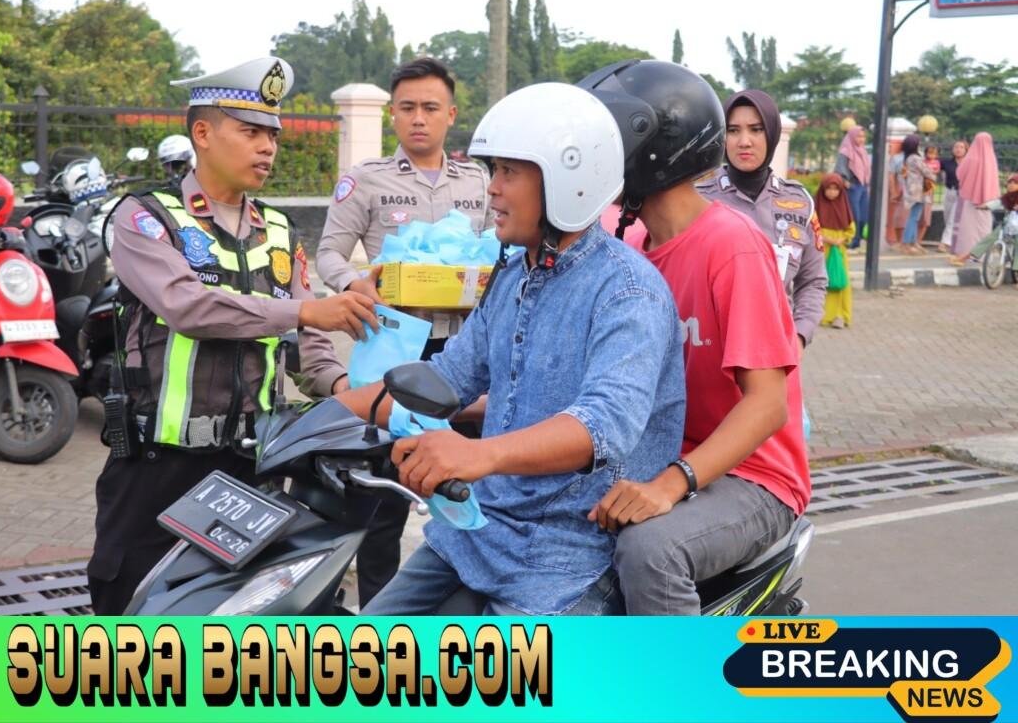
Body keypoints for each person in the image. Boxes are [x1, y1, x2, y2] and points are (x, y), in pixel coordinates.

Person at [339, 82, 686, 616]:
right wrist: (314, 423)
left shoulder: (626, 290)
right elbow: (448, 378)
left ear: (567, 179)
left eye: (509, 172)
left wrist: (477, 454)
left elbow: (605, 425)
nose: (492, 190)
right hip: (484, 527)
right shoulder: (515, 277)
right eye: (492, 171)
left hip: (570, 548)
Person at [87, 57, 380, 614]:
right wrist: (307, 312)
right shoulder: (146, 219)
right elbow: (188, 308)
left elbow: (309, 349)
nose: (267, 148)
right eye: (250, 132)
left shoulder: (277, 229)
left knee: (242, 623)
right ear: (202, 132)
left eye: (272, 134)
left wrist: (351, 393)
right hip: (158, 468)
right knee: (134, 620)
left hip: (252, 471)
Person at [579, 60, 810, 615]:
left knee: (649, 549)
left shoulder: (732, 246)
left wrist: (670, 484)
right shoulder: (630, 249)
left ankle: (683, 697)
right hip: (656, 457)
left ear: (653, 151)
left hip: (753, 476)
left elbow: (768, 406)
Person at [316, 56, 491, 606]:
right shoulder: (367, 180)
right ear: (392, 114)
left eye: (431, 108)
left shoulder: (479, 181)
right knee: (387, 494)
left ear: (451, 115)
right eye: (408, 107)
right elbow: (328, 255)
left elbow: (498, 254)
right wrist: (356, 285)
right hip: (395, 350)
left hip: (464, 351)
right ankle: (378, 614)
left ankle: (469, 602)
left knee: (472, 482)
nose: (419, 118)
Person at [697, 89, 827, 351]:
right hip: (710, 350)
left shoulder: (800, 203)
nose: (744, 141)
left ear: (772, 134)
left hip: (778, 353)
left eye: (756, 129)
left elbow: (813, 281)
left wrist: (799, 337)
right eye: (733, 131)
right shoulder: (697, 199)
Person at [950, 132, 1001, 266]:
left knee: (968, 229)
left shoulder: (971, 158)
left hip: (971, 199)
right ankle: (982, 254)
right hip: (987, 201)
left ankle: (967, 254)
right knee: (984, 228)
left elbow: (959, 173)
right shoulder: (991, 159)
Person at [815, 173, 855, 329]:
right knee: (820, 282)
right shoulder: (816, 206)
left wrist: (842, 239)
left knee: (839, 281)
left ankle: (840, 315)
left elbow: (851, 230)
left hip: (838, 251)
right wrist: (826, 239)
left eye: (836, 189)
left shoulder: (844, 206)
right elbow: (811, 228)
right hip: (820, 251)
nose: (832, 192)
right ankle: (821, 315)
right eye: (829, 189)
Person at [900, 134, 937, 255]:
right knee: (913, 217)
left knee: (915, 217)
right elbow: (926, 171)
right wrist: (934, 176)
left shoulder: (907, 157)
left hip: (913, 189)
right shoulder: (915, 158)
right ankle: (906, 243)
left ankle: (913, 242)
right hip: (918, 190)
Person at [835, 126, 871, 249]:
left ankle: (859, 239)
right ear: (852, 136)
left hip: (863, 185)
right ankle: (852, 240)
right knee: (854, 214)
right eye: (859, 136)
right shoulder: (846, 150)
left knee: (863, 215)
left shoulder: (862, 150)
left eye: (863, 136)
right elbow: (840, 168)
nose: (861, 139)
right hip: (852, 186)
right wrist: (846, 182)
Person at [939, 140, 968, 252]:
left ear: (966, 150)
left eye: (961, 147)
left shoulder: (969, 163)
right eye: (956, 147)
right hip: (949, 191)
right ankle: (953, 241)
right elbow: (933, 167)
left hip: (963, 193)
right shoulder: (946, 162)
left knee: (952, 218)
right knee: (948, 216)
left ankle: (944, 243)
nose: (958, 149)